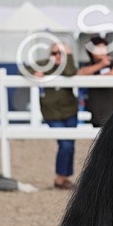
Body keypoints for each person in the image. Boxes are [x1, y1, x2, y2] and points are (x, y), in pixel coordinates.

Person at [31, 44, 79, 190]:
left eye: (62, 53)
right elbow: (23, 70)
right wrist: (34, 72)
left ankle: (64, 177)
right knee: (65, 144)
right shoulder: (43, 65)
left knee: (69, 145)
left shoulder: (67, 66)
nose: (58, 55)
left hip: (69, 111)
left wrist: (68, 56)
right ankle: (61, 177)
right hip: (51, 113)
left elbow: (71, 73)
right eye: (55, 52)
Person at [79, 35, 113, 127]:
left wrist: (93, 77)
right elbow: (80, 73)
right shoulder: (88, 64)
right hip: (97, 110)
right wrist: (101, 65)